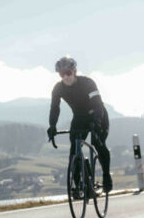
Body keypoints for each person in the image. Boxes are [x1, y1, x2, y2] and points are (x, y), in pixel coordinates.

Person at [47, 56, 112, 193]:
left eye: (68, 73)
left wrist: (97, 122)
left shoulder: (87, 83)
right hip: (79, 117)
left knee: (97, 142)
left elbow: (98, 105)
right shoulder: (58, 88)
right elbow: (55, 109)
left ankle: (106, 177)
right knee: (74, 148)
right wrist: (52, 126)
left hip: (97, 114)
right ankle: (78, 184)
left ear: (74, 71)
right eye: (62, 74)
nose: (66, 77)